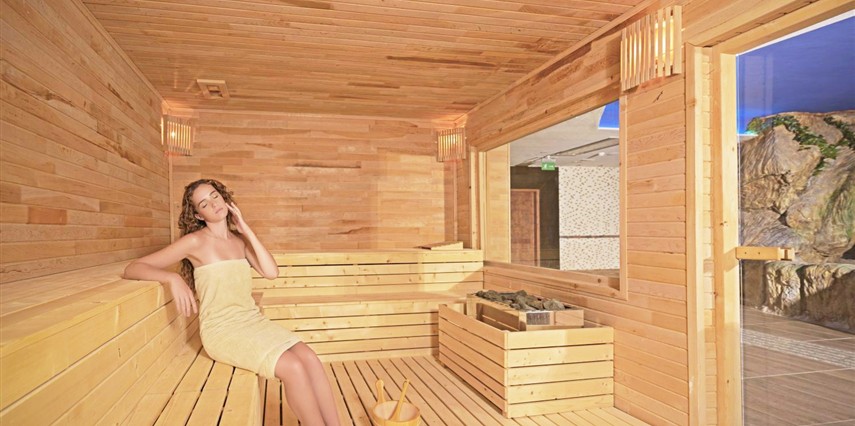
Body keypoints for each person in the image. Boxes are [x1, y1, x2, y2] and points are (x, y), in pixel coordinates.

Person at [123, 178, 340, 426]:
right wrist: (171, 278)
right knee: (293, 367)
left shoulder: (240, 241)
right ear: (199, 215)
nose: (213, 204)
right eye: (204, 204)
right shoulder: (195, 242)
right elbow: (134, 267)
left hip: (252, 321)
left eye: (214, 196)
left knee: (310, 358)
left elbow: (271, 272)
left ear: (224, 197)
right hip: (222, 331)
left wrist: (246, 229)